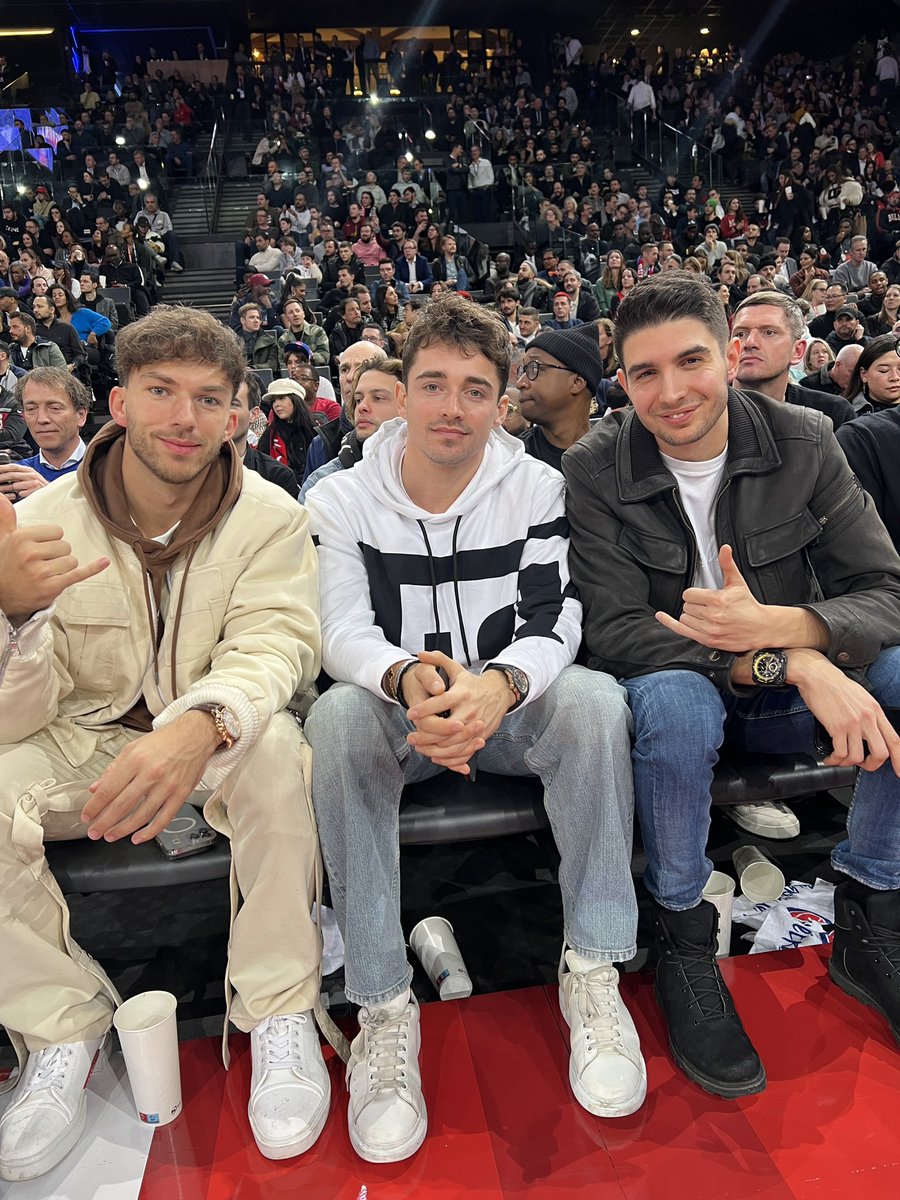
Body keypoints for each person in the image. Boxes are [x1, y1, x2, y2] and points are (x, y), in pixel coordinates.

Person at [304, 294, 644, 1164]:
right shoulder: (341, 499)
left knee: (598, 701)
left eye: (474, 389)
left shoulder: (537, 485)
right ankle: (380, 1006)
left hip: (507, 711)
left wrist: (499, 685)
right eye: (432, 385)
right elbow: (340, 627)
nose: (452, 407)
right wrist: (405, 677)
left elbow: (556, 617)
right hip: (404, 713)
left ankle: (594, 970)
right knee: (339, 714)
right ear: (400, 391)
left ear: (502, 401)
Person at [0, 308, 330, 1181]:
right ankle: (58, 1029)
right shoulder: (44, 526)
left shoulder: (271, 515)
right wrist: (14, 615)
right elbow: (15, 719)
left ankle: (277, 1010)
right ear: (117, 402)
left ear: (236, 415)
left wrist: (202, 723)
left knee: (280, 755)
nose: (185, 418)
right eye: (161, 392)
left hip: (215, 737)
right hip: (86, 743)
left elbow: (278, 646)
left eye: (208, 399)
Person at [563, 272, 900, 1101]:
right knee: (673, 702)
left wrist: (792, 631)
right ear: (622, 380)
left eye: (691, 362)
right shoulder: (594, 463)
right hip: (690, 692)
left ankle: (872, 909)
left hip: (788, 699)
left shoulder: (807, 438)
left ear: (730, 354)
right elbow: (612, 630)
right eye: (645, 373)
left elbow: (886, 591)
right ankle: (683, 936)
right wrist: (793, 659)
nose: (671, 392)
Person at [300, 356, 403, 499]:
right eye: (358, 400)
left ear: (406, 404)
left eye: (378, 398)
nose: (362, 407)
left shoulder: (437, 470)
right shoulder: (321, 486)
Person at [515, 325, 602, 472]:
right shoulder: (515, 461)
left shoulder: (617, 458)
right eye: (523, 370)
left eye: (535, 368)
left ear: (576, 382)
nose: (520, 383)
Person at [0, 369, 88, 503]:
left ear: (80, 416)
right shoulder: (16, 476)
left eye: (54, 408)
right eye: (31, 409)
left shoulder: (110, 469)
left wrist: (48, 495)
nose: (41, 419)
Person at [230, 368, 298, 497]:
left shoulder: (277, 477)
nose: (223, 412)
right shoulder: (189, 470)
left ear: (254, 414)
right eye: (215, 403)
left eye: (234, 404)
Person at [257, 378, 320, 486]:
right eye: (274, 401)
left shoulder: (317, 428)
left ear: (296, 400)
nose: (276, 404)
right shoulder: (270, 435)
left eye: (281, 398)